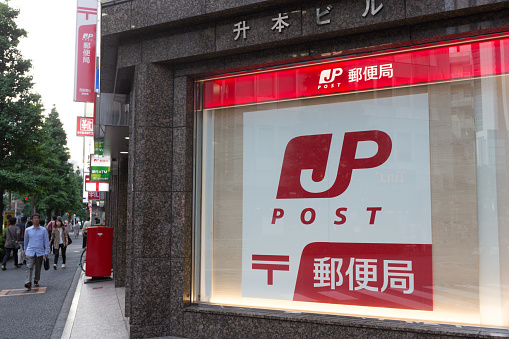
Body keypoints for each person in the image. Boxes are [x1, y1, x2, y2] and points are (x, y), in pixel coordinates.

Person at [24, 213, 50, 290]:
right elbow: (26, 241)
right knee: (29, 267)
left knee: (38, 267)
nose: (36, 219)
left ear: (39, 220)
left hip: (40, 251)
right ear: (32, 220)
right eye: (34, 218)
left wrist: (46, 252)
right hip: (30, 251)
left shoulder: (43, 230)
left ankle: (36, 280)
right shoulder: (27, 230)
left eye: (37, 218)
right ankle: (28, 282)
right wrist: (25, 251)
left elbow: (46, 241)